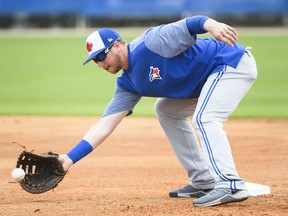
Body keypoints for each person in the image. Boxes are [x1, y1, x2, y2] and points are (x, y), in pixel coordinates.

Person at [58, 15, 257, 207]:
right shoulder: (127, 84)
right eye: (94, 60)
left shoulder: (152, 42)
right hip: (207, 78)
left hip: (230, 63)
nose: (100, 63)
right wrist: (69, 158)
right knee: (165, 109)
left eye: (101, 55)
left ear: (117, 45)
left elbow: (191, 23)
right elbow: (105, 125)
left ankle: (230, 185)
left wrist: (213, 26)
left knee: (205, 118)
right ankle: (203, 181)